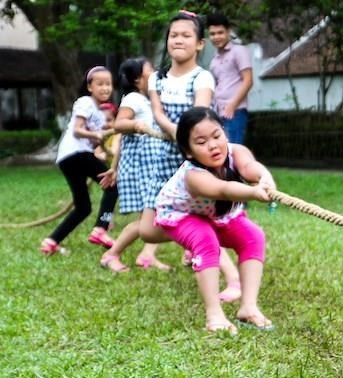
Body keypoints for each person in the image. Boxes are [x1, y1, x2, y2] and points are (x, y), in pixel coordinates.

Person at [138, 10, 242, 299]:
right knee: (147, 230)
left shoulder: (202, 77)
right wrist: (176, 132)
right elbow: (157, 112)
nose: (178, 40)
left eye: (186, 35)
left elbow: (199, 117)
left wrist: (186, 140)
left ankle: (233, 277)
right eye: (173, 35)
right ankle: (194, 238)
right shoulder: (155, 79)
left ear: (200, 44)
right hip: (164, 159)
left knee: (202, 223)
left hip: (192, 162)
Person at [149, 106, 275, 334]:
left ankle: (248, 308)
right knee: (205, 240)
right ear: (188, 151)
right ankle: (214, 315)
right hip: (181, 214)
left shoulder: (236, 152)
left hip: (216, 214)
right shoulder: (193, 175)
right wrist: (254, 193)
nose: (213, 145)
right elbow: (223, 189)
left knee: (253, 236)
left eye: (217, 136)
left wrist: (264, 177)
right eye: (201, 142)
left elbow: (249, 168)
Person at [99, 57, 170, 272]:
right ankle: (111, 254)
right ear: (138, 79)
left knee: (156, 216)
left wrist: (113, 167)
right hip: (142, 167)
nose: (156, 72)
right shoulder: (133, 99)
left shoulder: (151, 101)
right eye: (151, 70)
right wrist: (135, 124)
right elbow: (119, 125)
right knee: (149, 219)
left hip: (154, 166)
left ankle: (147, 256)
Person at [40, 66, 118, 255]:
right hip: (76, 154)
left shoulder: (99, 113)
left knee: (83, 207)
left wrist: (100, 148)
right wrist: (97, 135)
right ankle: (101, 229)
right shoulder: (85, 102)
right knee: (113, 184)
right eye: (100, 84)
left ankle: (51, 241)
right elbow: (77, 130)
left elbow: (92, 141)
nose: (105, 88)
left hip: (68, 158)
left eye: (108, 84)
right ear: (90, 86)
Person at [206, 12, 253, 144]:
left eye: (220, 32)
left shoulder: (239, 51)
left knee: (233, 151)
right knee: (221, 153)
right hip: (218, 112)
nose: (216, 37)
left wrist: (232, 105)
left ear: (228, 32)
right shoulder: (214, 60)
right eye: (212, 34)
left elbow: (248, 81)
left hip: (235, 111)